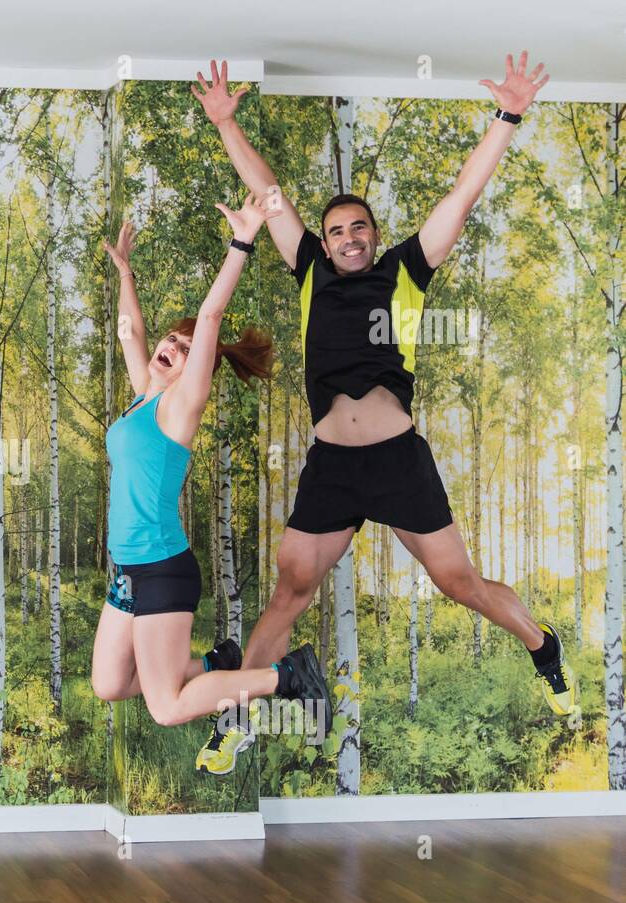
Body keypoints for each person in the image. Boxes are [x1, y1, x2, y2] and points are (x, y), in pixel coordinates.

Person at [189, 54, 574, 772]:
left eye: (359, 227)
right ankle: (236, 717)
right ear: (326, 240)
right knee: (289, 591)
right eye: (337, 230)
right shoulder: (309, 270)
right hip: (333, 467)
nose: (349, 238)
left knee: (459, 585)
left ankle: (543, 647)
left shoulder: (406, 270)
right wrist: (225, 123)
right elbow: (268, 194)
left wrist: (508, 116)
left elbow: (462, 195)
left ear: (373, 233)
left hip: (398, 462)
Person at [90, 197, 332, 765]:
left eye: (185, 349)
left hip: (161, 568)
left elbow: (210, 316)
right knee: (109, 683)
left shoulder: (179, 408)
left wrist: (242, 242)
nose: (171, 348)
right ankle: (218, 664)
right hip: (128, 569)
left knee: (166, 706)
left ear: (194, 369)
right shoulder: (143, 397)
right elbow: (130, 332)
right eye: (170, 342)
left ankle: (286, 676)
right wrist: (125, 275)